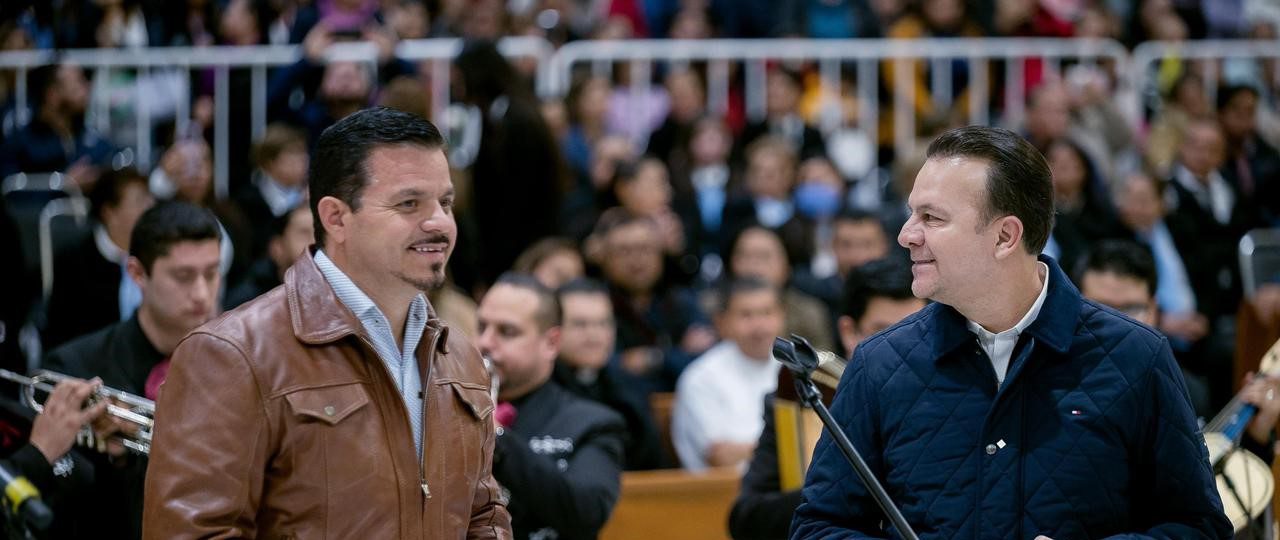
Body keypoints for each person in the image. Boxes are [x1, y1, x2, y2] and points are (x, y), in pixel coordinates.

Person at [792, 126, 1233, 538]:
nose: (907, 234)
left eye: (932, 217)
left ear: (1005, 236)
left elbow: (1200, 526)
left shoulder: (1137, 356)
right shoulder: (879, 364)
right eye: (912, 214)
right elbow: (819, 525)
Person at [142, 107, 511, 538]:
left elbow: (483, 516)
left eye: (444, 202)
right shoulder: (232, 353)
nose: (439, 223)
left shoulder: (460, 355)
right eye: (409, 203)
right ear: (336, 217)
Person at [42, 200, 224, 539]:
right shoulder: (75, 367)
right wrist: (121, 461)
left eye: (211, 273)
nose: (202, 293)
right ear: (137, 274)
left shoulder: (236, 362)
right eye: (183, 276)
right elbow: (65, 509)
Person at [729, 257, 924, 539]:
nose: (900, 350)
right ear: (849, 332)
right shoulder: (804, 400)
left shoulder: (954, 396)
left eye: (913, 332)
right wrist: (834, 489)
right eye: (882, 333)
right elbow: (747, 518)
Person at [476, 273, 625, 540]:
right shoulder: (449, 410)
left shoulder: (592, 423)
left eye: (507, 332)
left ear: (551, 343)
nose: (485, 342)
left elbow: (587, 513)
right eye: (482, 327)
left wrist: (497, 437)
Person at [672, 277, 785, 471]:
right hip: (719, 495)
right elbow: (720, 456)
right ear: (722, 322)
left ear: (782, 316)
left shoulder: (796, 369)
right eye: (746, 315)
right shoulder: (701, 378)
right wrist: (788, 446)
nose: (759, 325)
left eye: (767, 313)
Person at [553, 278, 664, 470]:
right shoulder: (537, 389)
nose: (595, 336)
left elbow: (655, 467)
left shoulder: (629, 389)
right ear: (553, 330)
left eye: (603, 323)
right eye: (580, 324)